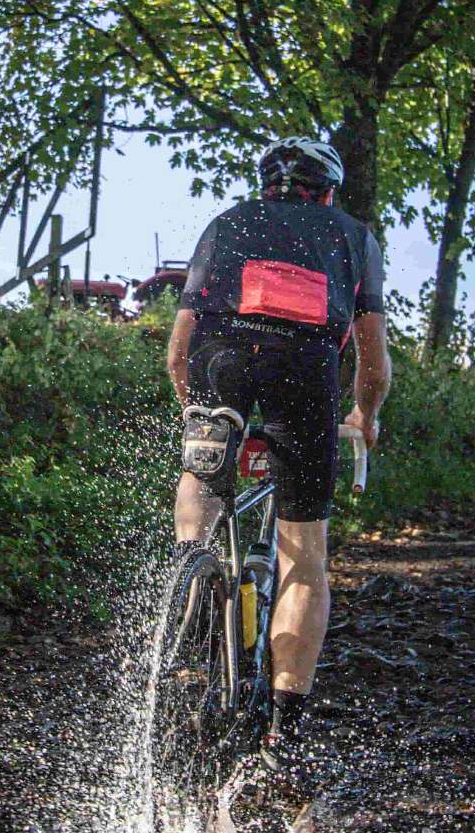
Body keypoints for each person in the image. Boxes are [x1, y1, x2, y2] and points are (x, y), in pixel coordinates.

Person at [165, 136, 390, 786]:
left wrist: (194, 412)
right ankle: (283, 736)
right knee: (304, 553)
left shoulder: (227, 223)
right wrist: (365, 417)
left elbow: (180, 350)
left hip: (222, 359)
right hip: (305, 371)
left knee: (203, 470)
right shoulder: (354, 235)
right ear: (329, 190)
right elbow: (372, 361)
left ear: (264, 184)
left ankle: (190, 563)